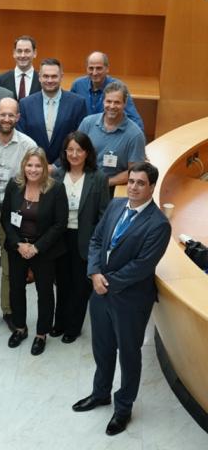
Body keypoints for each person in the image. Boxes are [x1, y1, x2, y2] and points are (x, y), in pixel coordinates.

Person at [73, 162, 171, 436]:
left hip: (130, 301)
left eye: (140, 183)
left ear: (152, 187)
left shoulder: (159, 225)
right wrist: (94, 274)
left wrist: (108, 283)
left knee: (128, 355)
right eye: (131, 181)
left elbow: (142, 265)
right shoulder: (116, 206)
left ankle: (123, 407)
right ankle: (100, 393)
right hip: (100, 292)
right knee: (102, 348)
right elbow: (96, 240)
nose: (133, 187)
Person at [1, 147, 68, 355]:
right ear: (23, 166)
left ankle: (41, 333)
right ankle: (20, 328)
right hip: (18, 248)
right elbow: (5, 219)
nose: (33, 169)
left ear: (45, 168)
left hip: (44, 250)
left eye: (38, 165)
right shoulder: (14, 185)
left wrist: (36, 247)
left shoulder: (55, 189)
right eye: (29, 165)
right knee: (16, 289)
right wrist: (18, 245)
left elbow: (60, 224)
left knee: (45, 293)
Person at [0, 98, 37, 332]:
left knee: (9, 266)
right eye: (2, 114)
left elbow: (35, 179)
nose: (6, 119)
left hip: (14, 214)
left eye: (11, 115)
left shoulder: (28, 146)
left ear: (18, 118)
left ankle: (8, 310)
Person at [51, 131, 109, 343]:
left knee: (80, 285)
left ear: (87, 152)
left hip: (85, 238)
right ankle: (59, 322)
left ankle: (73, 327)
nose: (74, 154)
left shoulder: (99, 177)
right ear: (65, 152)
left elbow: (104, 214)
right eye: (70, 150)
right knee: (62, 282)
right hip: (60, 236)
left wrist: (98, 241)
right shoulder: (57, 175)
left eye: (79, 150)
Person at [78, 81, 146, 194]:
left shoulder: (135, 135)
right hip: (83, 183)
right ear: (103, 101)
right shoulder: (87, 123)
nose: (112, 106)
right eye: (108, 101)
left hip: (112, 189)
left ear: (125, 104)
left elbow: (135, 171)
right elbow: (75, 153)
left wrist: (106, 182)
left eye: (117, 102)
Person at [17, 58, 87, 165]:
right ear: (39, 77)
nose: (49, 80)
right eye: (45, 76)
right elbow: (22, 138)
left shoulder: (77, 103)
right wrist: (38, 163)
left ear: (61, 76)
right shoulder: (25, 104)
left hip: (66, 167)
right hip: (34, 168)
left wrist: (56, 166)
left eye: (54, 76)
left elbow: (80, 139)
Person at [70, 51, 144, 132]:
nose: (94, 73)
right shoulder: (78, 85)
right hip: (84, 135)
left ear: (107, 68)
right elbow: (70, 113)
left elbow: (134, 119)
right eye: (91, 68)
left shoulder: (118, 87)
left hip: (108, 135)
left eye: (99, 68)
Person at [0, 35, 41, 100]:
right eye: (19, 51)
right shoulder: (0, 80)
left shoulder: (42, 80)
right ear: (14, 53)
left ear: (35, 53)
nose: (23, 55)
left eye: (27, 51)